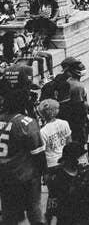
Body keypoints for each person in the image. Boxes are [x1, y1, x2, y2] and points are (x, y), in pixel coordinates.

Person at [0, 88, 46, 225]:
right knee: (34, 208)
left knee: (9, 212)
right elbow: (38, 153)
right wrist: (44, 173)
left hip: (4, 174)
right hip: (25, 175)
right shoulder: (27, 123)